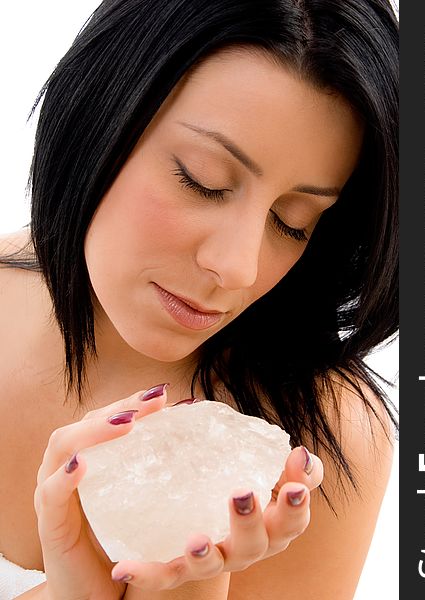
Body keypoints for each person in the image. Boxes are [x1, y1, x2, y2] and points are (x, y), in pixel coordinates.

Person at [0, 0, 398, 598]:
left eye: (293, 222)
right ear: (100, 111)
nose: (236, 268)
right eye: (202, 179)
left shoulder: (318, 448)